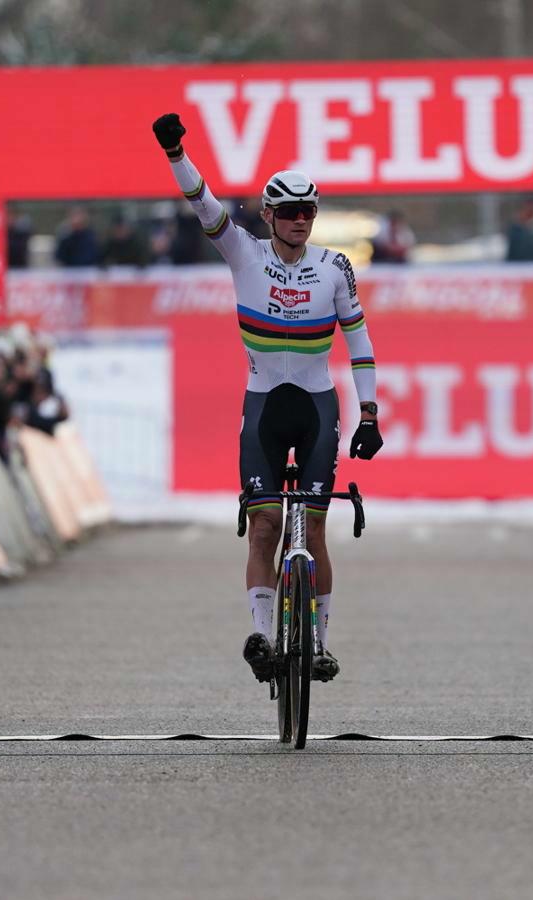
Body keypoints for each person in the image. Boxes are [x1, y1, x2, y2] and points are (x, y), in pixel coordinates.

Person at [152, 111, 383, 684]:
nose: (301, 221)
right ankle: (261, 634)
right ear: (269, 215)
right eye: (289, 212)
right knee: (263, 528)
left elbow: (359, 342)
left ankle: (320, 644)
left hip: (316, 409)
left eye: (309, 211)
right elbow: (204, 205)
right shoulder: (244, 254)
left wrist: (370, 412)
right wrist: (176, 153)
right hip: (263, 409)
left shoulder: (335, 267)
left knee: (316, 527)